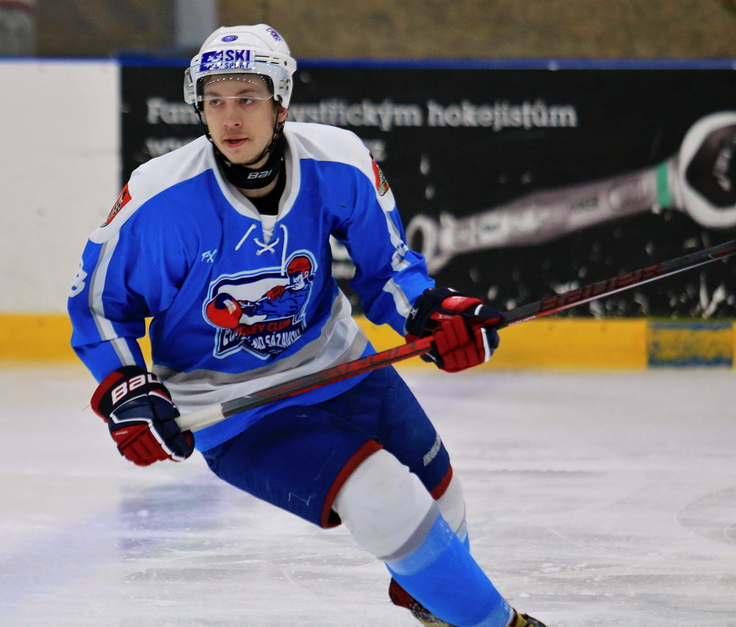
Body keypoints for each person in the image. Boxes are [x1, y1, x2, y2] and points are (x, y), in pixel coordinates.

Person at [68, 24, 548, 627]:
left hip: (339, 363)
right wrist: (127, 390)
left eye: (248, 98)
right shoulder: (162, 199)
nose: (230, 117)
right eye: (214, 100)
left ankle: (436, 602)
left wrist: (433, 313)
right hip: (233, 404)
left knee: (442, 502)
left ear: (281, 103)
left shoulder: (338, 163)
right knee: (382, 493)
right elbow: (98, 307)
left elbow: (389, 270)